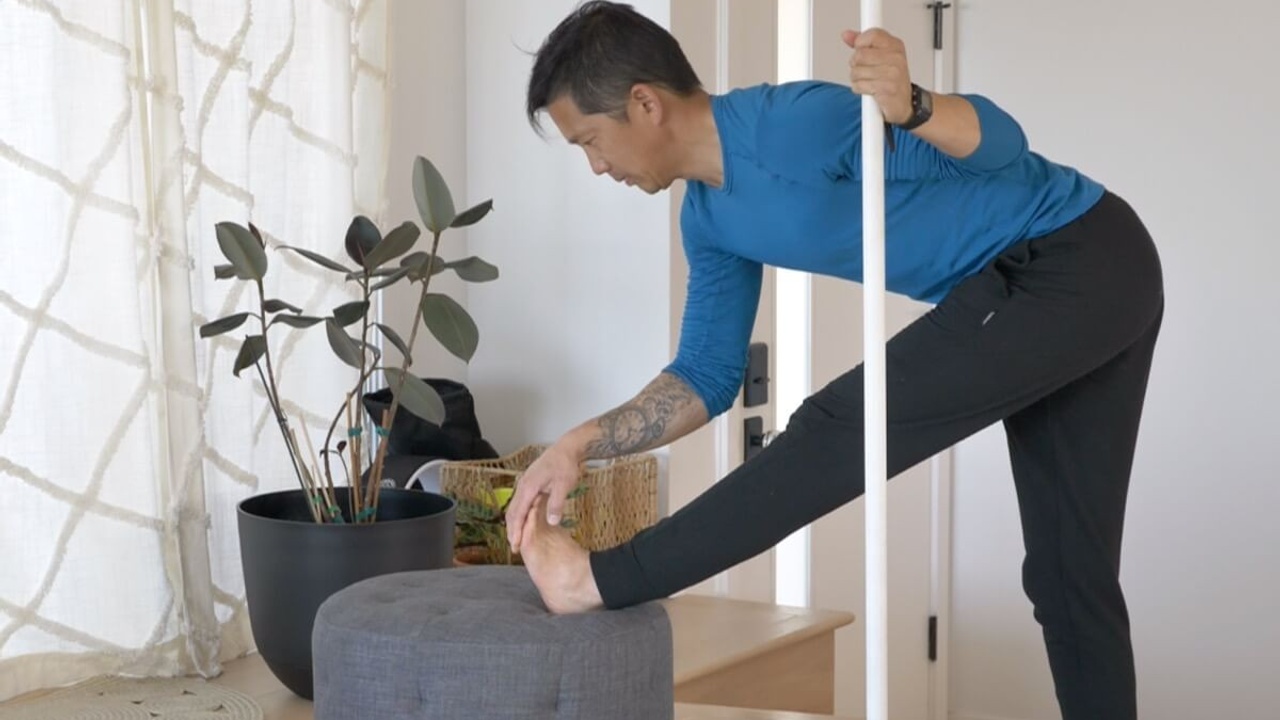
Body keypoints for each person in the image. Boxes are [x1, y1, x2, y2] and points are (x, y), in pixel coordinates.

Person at [505, 3, 1163, 719]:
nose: (597, 166)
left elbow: (1002, 145)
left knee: (840, 425)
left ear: (644, 104)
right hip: (1074, 279)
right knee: (1068, 576)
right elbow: (705, 376)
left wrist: (912, 105)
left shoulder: (788, 126)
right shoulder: (709, 220)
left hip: (1074, 259)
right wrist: (579, 444)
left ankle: (598, 580)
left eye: (591, 141)